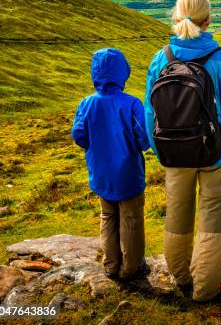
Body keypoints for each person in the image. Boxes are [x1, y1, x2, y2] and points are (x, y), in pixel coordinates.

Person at [144, 0, 221, 302]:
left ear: (177, 16)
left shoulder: (160, 58)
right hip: (214, 154)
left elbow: (151, 111)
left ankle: (182, 278)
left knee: (177, 216)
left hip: (173, 154)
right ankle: (206, 290)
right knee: (213, 218)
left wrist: (159, 148)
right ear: (208, 19)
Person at [71, 47, 150, 281]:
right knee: (131, 219)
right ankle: (132, 268)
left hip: (101, 174)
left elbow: (79, 135)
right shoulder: (132, 104)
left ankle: (111, 265)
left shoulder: (86, 104)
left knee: (107, 217)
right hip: (128, 175)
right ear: (122, 72)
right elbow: (144, 140)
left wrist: (96, 147)